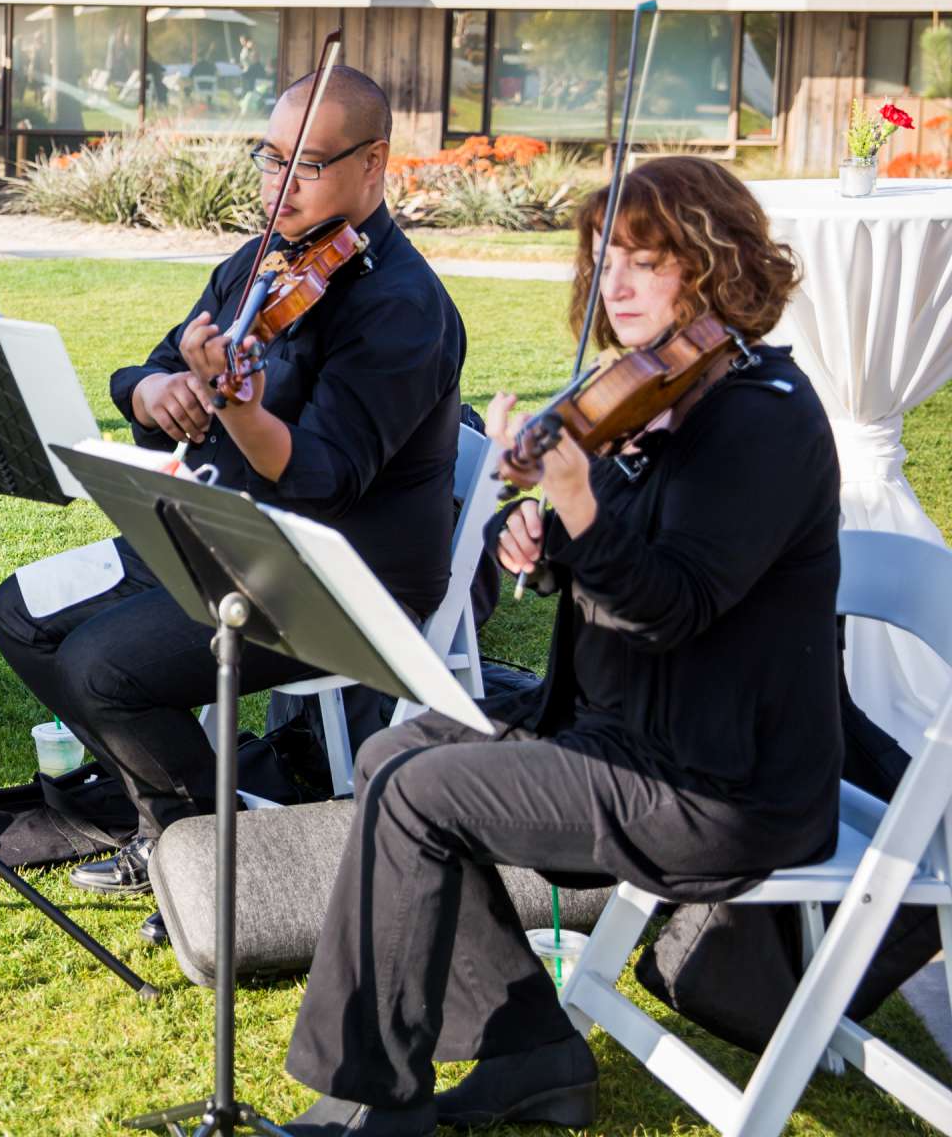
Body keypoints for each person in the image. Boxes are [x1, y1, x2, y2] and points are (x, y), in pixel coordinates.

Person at [278, 155, 837, 1136]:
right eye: (603, 259)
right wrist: (551, 547)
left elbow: (677, 607)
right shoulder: (659, 400)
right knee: (393, 752)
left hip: (716, 787)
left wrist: (578, 499)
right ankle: (531, 1051)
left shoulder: (760, 421)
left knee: (420, 795)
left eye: (645, 261)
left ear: (711, 267)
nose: (613, 284)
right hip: (626, 736)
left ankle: (371, 1101)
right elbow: (625, 573)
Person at [0, 65, 466, 910]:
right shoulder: (259, 265)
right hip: (215, 531)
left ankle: (201, 855)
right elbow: (157, 363)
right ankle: (168, 817)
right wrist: (150, 391)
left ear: (374, 163)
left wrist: (240, 407)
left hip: (337, 574)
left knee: (105, 667)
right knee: (20, 612)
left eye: (305, 166)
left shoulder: (402, 307)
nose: (277, 187)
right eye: (268, 158)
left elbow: (319, 475)